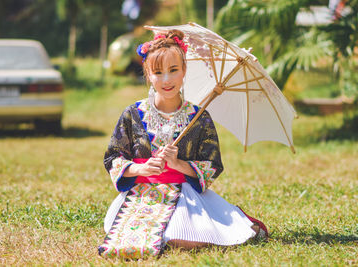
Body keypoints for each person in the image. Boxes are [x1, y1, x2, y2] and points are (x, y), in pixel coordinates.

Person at [99, 30, 267, 259]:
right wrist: (140, 169)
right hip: (141, 194)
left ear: (184, 71)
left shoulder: (199, 117)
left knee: (183, 240)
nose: (166, 80)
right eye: (158, 72)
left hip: (185, 194)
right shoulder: (132, 114)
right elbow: (113, 156)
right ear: (147, 74)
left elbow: (212, 163)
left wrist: (178, 164)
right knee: (123, 234)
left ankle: (234, 219)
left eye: (173, 70)